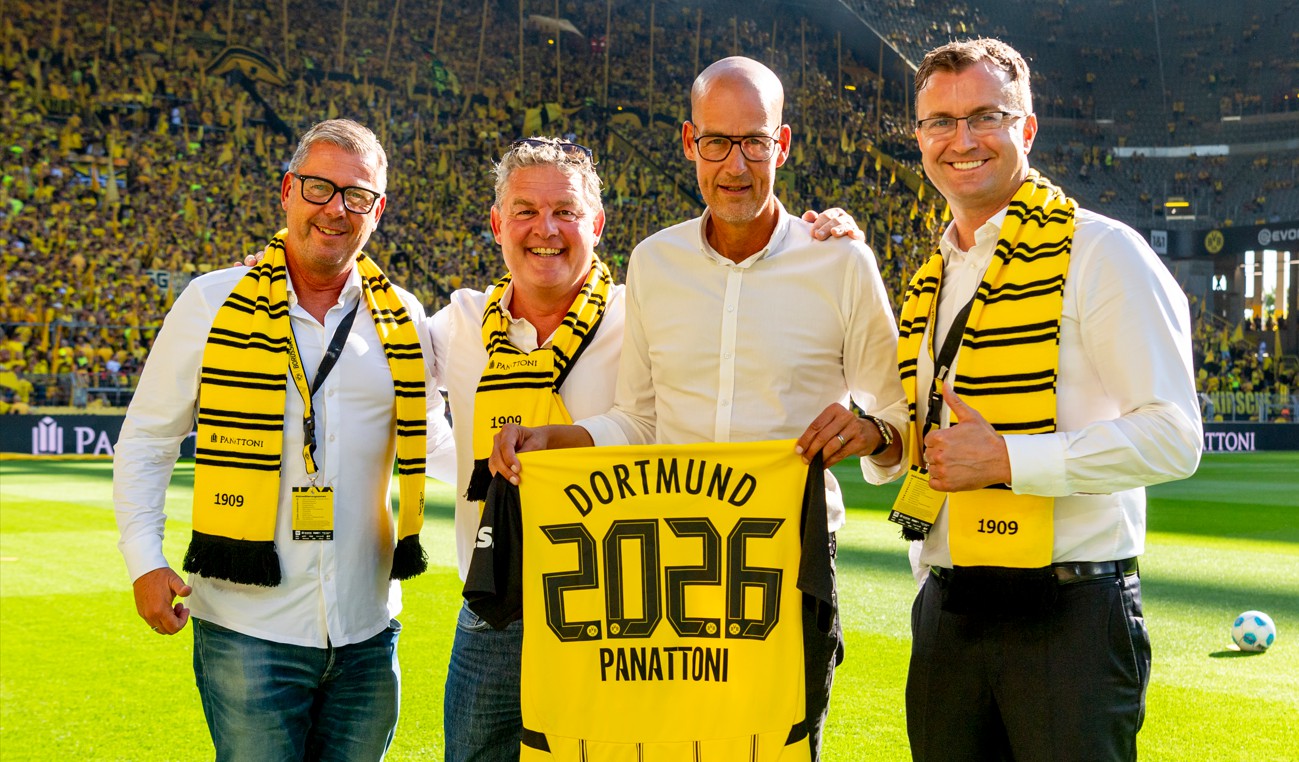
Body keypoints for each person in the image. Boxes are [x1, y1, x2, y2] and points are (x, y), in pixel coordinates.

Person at [490, 57, 908, 759]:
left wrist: (866, 432)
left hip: (790, 561)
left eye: (754, 142)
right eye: (717, 142)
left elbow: (896, 422)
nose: (735, 165)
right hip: (670, 561)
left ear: (782, 144)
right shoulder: (655, 263)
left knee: (776, 749)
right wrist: (556, 439)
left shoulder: (840, 263)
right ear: (690, 142)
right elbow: (640, 421)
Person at [894, 38, 1202, 761]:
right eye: (940, 122)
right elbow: (926, 435)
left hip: (1068, 616)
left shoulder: (1102, 252)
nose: (961, 140)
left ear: (1026, 128)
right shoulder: (932, 277)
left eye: (985, 117)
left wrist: (1010, 460)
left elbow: (1174, 436)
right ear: (919, 137)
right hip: (949, 611)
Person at [114, 118, 442, 761]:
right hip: (247, 627)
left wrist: (523, 455)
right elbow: (148, 438)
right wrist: (143, 559)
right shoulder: (212, 302)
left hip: (367, 628)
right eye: (320, 187)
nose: (336, 209)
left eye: (357, 195)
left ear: (377, 211)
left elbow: (434, 437)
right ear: (288, 190)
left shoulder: (403, 315)